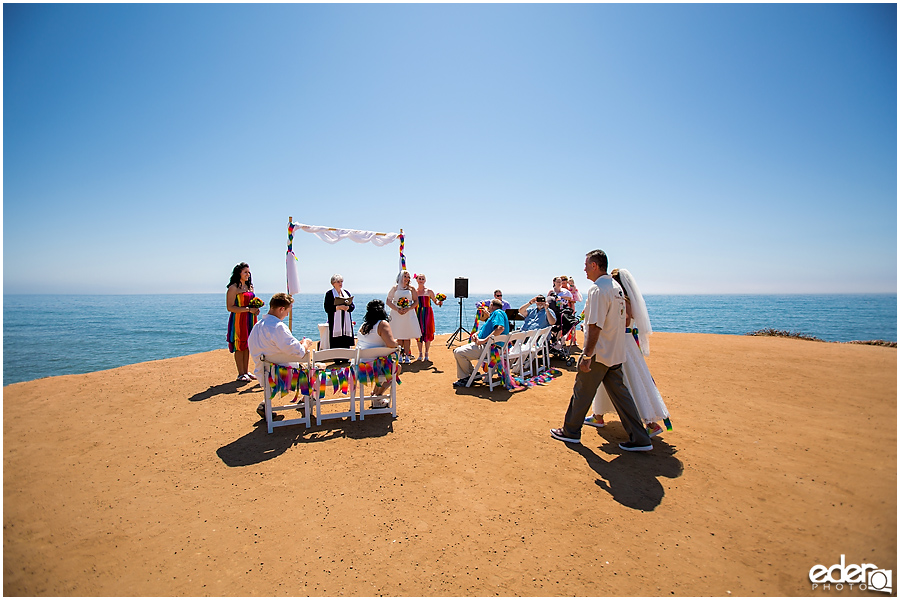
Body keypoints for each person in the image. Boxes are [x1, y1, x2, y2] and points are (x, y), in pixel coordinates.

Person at [550, 250, 653, 452]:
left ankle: (570, 431)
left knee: (581, 391)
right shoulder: (616, 288)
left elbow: (595, 325)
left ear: (595, 265)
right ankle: (640, 437)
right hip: (615, 351)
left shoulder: (598, 290)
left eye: (587, 265)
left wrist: (587, 355)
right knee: (622, 396)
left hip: (599, 352)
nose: (584, 269)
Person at [585, 268, 670, 438]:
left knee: (629, 381)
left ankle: (650, 422)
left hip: (620, 344)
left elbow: (622, 323)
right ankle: (598, 414)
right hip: (625, 342)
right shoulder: (626, 300)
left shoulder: (623, 301)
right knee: (616, 380)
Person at [247, 293, 315, 421]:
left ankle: (265, 404)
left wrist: (296, 345)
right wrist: (305, 344)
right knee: (316, 371)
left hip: (264, 374)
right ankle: (305, 401)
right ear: (281, 309)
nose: (287, 315)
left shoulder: (257, 327)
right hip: (284, 377)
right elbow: (299, 352)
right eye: (287, 311)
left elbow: (274, 348)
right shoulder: (278, 327)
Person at [452, 298, 510, 387]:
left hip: (489, 349)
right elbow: (489, 328)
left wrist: (484, 340)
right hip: (489, 347)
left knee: (458, 352)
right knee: (458, 351)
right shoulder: (499, 314)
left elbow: (500, 328)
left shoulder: (497, 313)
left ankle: (465, 377)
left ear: (491, 305)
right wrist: (477, 334)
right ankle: (474, 375)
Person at [356, 299, 403, 406]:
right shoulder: (382, 324)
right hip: (373, 368)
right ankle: (378, 395)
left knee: (384, 366)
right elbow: (391, 344)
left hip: (359, 367)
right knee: (396, 368)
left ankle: (375, 395)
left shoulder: (363, 325)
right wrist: (398, 341)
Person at [226, 262, 261, 382]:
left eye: (248, 272)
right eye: (245, 272)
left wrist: (255, 310)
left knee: (247, 345)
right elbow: (230, 307)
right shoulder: (233, 288)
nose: (248, 274)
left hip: (250, 319)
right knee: (239, 345)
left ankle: (246, 371)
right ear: (239, 273)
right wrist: (248, 310)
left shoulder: (249, 287)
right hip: (239, 320)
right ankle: (240, 373)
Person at [386, 270, 421, 363]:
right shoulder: (395, 288)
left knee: (407, 336)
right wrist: (397, 309)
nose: (407, 279)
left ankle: (407, 356)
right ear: (401, 277)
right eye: (405, 276)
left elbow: (416, 301)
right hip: (396, 313)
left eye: (408, 277)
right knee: (399, 336)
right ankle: (399, 356)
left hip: (408, 313)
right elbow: (388, 301)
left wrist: (408, 308)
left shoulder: (411, 289)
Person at [414, 273, 443, 361]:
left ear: (425, 280)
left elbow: (435, 301)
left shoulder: (429, 291)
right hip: (417, 313)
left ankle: (426, 353)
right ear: (417, 280)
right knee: (418, 333)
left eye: (423, 279)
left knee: (428, 333)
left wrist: (440, 302)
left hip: (427, 313)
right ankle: (420, 353)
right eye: (420, 279)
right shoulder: (414, 291)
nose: (421, 280)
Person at [324, 274, 355, 350]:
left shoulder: (346, 293)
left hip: (346, 321)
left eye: (341, 281)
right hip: (335, 322)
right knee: (336, 341)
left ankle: (346, 358)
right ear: (333, 283)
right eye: (338, 282)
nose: (340, 283)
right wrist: (338, 307)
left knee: (345, 339)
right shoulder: (329, 294)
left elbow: (352, 306)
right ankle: (337, 359)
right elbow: (327, 308)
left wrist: (348, 307)